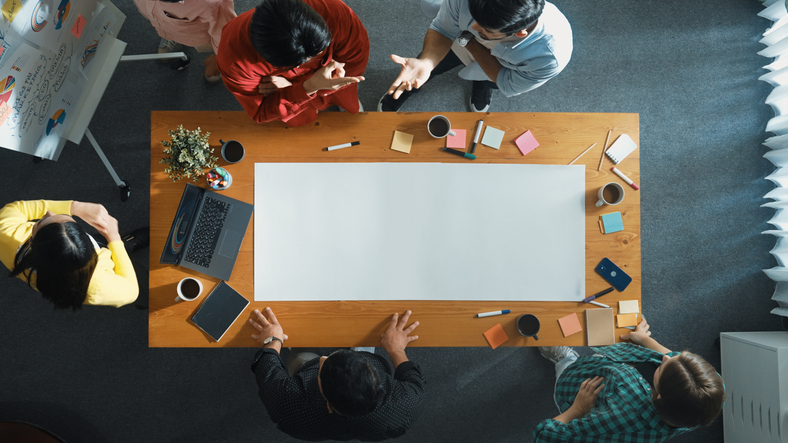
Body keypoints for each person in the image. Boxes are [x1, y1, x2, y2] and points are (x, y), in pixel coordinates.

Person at [533, 318, 725, 442]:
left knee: (567, 367)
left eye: (662, 367)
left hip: (579, 390)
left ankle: (564, 359)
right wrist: (644, 340)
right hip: (611, 369)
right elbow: (670, 355)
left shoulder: (619, 418)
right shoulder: (710, 393)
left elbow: (546, 436)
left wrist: (578, 409)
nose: (665, 357)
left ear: (658, 395)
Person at [248, 307, 425, 441]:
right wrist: (396, 350)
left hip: (306, 368)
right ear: (376, 380)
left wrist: (273, 340)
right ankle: (359, 350)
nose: (324, 357)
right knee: (363, 341)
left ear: (329, 406)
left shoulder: (287, 405)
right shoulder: (406, 406)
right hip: (364, 372)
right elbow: (411, 375)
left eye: (323, 367)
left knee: (300, 353)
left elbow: (267, 368)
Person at [379, 0, 572, 113]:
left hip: (505, 66)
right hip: (461, 43)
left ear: (519, 33)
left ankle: (481, 84)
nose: (473, 27)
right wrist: (426, 62)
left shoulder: (549, 57)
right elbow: (444, 29)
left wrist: (468, 40)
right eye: (473, 18)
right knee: (432, 67)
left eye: (485, 28)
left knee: (489, 80)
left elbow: (507, 82)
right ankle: (409, 89)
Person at [216, 0, 369, 127]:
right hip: (288, 95)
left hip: (285, 91)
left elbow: (356, 59)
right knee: (302, 118)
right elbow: (261, 111)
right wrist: (308, 87)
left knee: (345, 94)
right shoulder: (234, 61)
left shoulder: (335, 12)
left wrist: (294, 86)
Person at [0, 200, 139, 309]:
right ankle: (130, 244)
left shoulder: (5, 232)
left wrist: (75, 207)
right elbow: (132, 290)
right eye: (41, 222)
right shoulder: (98, 286)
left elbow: (16, 208)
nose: (49, 212)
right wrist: (114, 238)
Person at [133, 0, 236, 83]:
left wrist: (220, 61)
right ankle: (171, 36)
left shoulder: (213, 3)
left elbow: (224, 34)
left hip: (197, 34)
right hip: (164, 22)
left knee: (213, 44)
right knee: (171, 23)